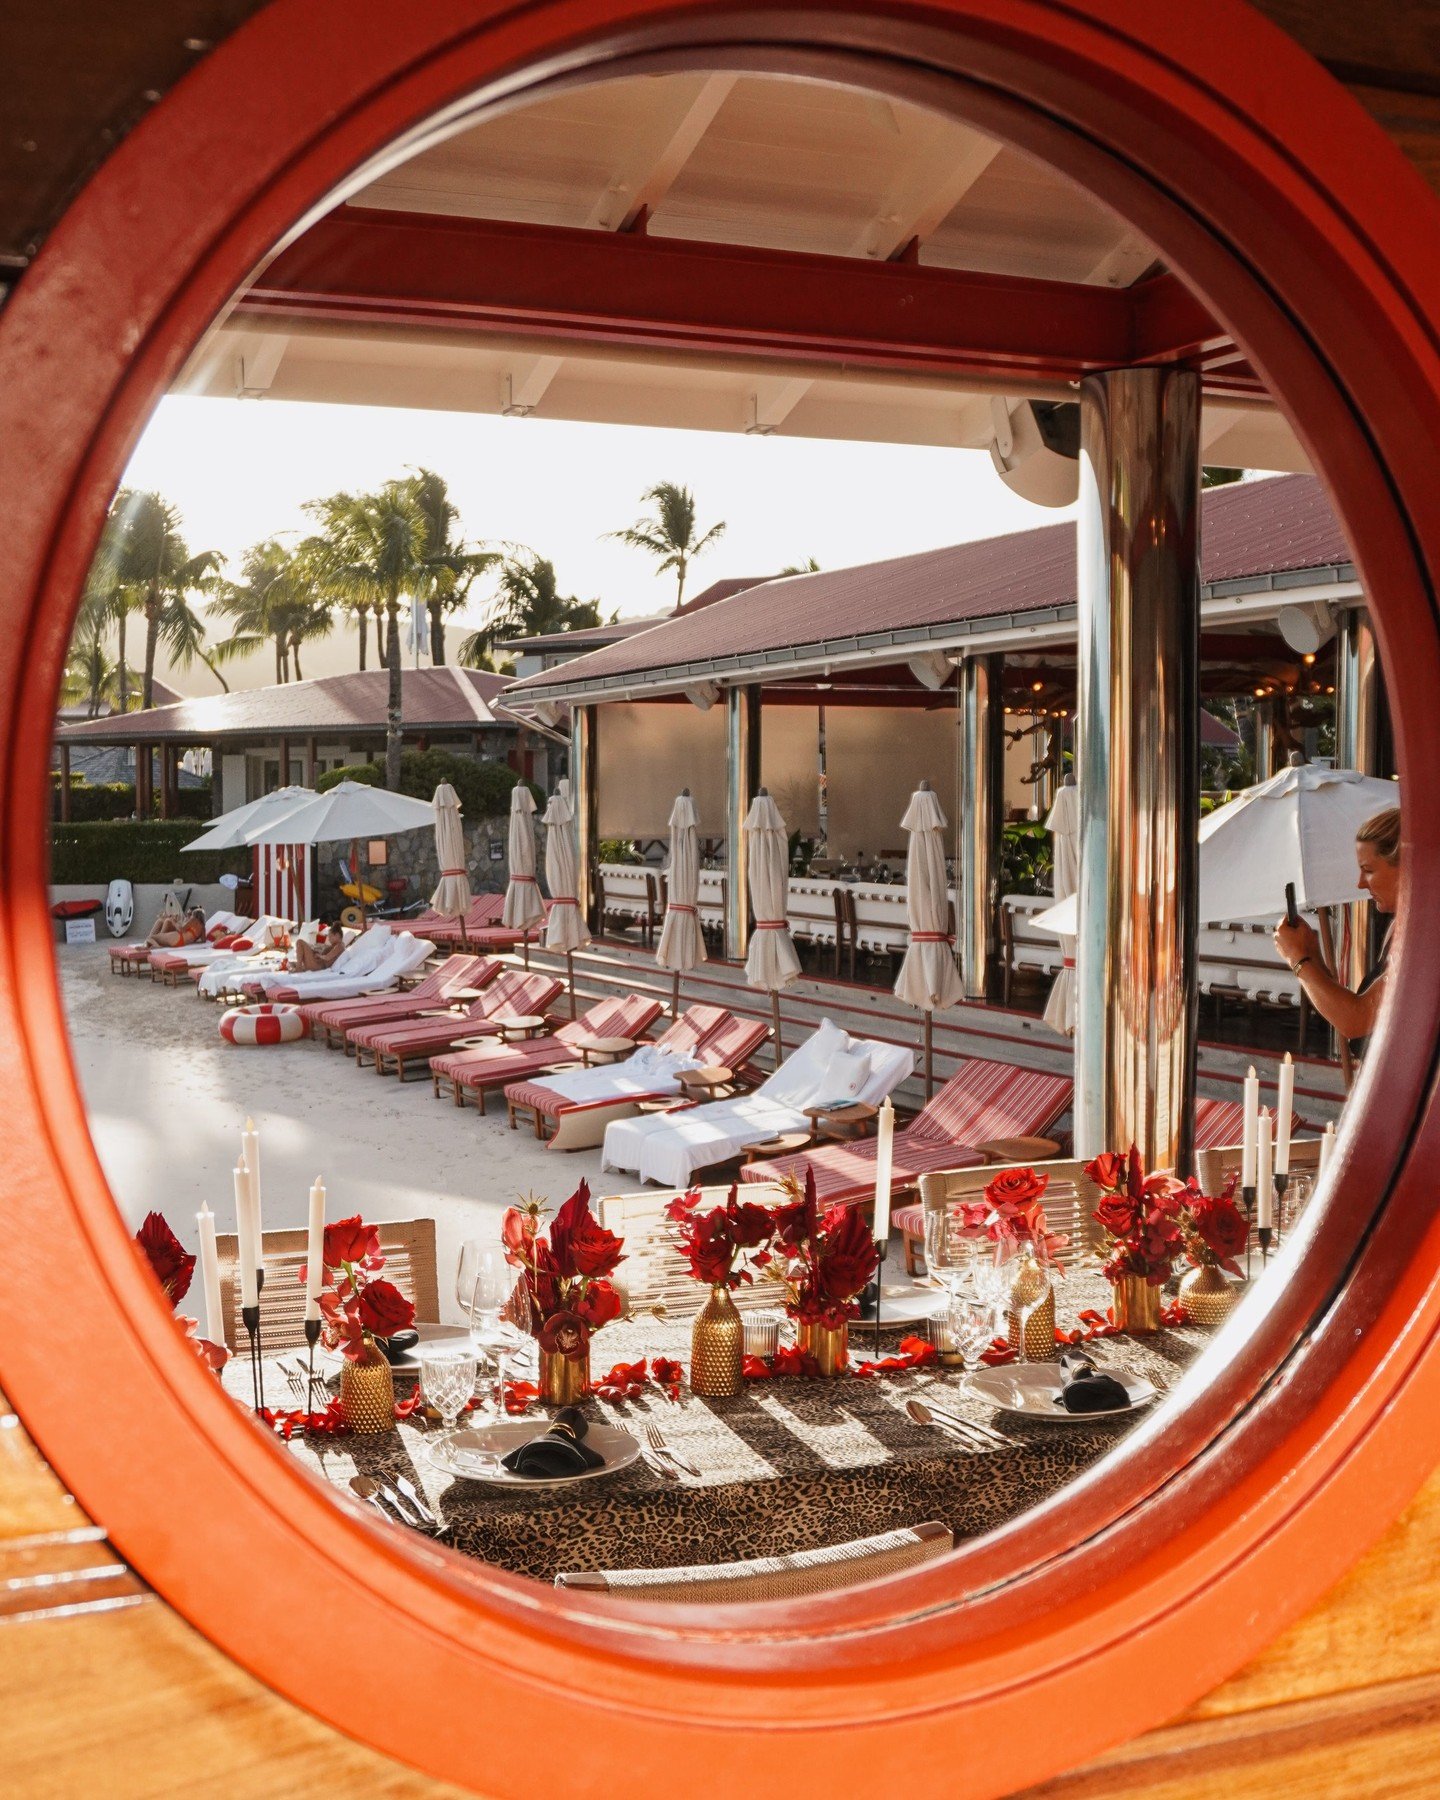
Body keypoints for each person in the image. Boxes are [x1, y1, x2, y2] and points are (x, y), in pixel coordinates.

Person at [1272, 805, 1400, 1050]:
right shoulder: (1402, 926)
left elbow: (1357, 1020)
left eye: (1369, 870)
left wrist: (1297, 959)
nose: (1360, 883)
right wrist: (1312, 956)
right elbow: (1346, 1008)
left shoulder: (1426, 937)